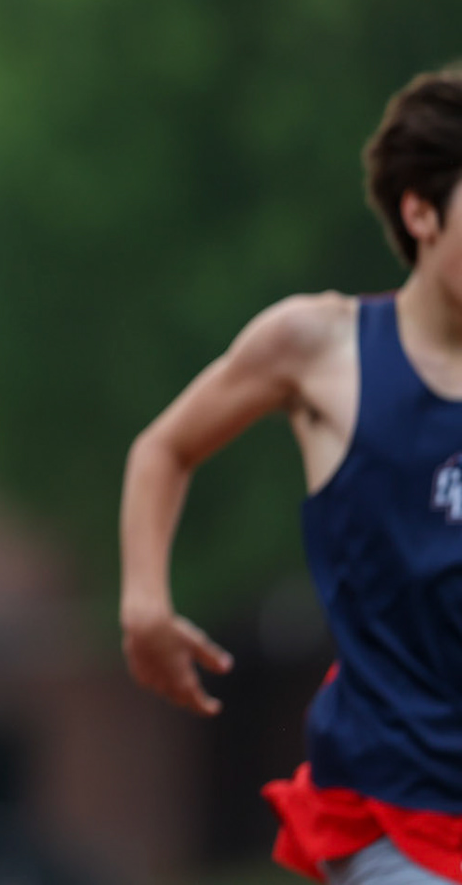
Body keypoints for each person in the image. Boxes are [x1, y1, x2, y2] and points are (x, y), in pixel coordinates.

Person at [120, 68, 462, 884]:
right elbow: (163, 449)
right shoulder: (319, 349)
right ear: (420, 211)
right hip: (393, 802)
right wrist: (144, 603)